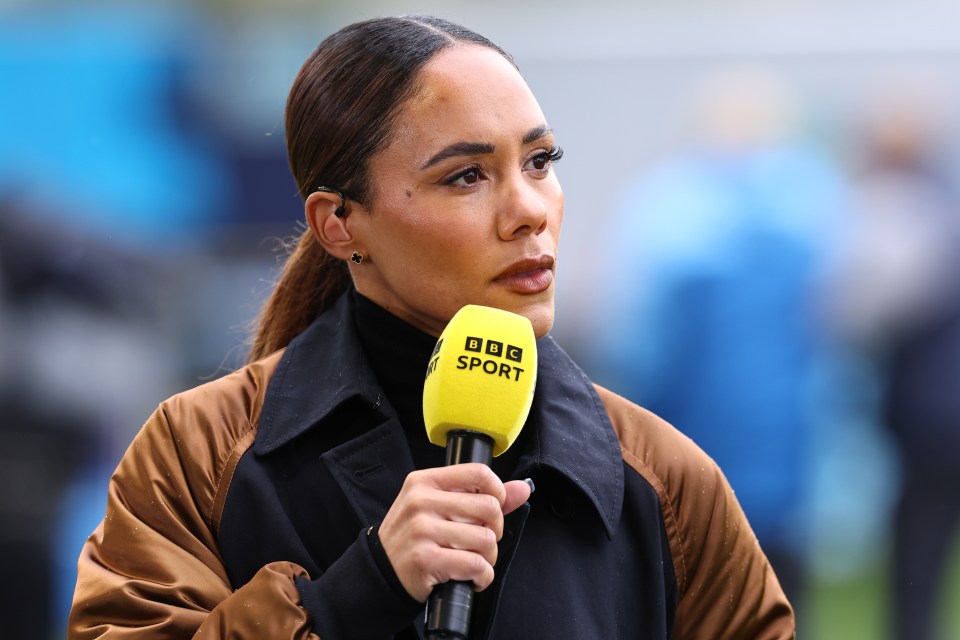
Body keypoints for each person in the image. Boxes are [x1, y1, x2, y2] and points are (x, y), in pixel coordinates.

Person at [68, 15, 794, 639]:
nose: (529, 211)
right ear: (339, 223)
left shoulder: (669, 484)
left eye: (540, 162)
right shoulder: (195, 457)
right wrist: (358, 591)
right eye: (466, 176)